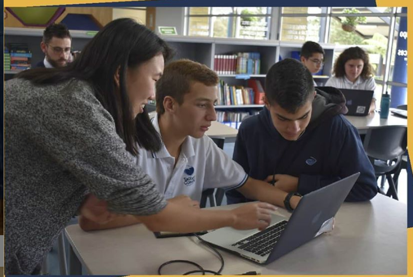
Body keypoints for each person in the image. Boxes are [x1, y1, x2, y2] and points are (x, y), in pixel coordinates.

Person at [5, 18, 277, 275]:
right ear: (120, 73)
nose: (152, 95)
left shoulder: (63, 90)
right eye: (155, 80)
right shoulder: (78, 109)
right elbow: (157, 217)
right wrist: (232, 218)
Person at [79, 59, 302, 231]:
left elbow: (249, 185)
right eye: (202, 105)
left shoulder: (200, 144)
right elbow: (90, 223)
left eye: (214, 105)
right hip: (125, 251)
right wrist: (167, 210)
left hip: (177, 247)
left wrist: (294, 202)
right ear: (170, 104)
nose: (213, 116)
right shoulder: (127, 142)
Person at [225, 58, 378, 205]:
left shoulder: (338, 129)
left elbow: (365, 187)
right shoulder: (250, 130)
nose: (295, 128)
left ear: (313, 97)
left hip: (317, 220)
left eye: (303, 116)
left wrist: (301, 184)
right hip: (259, 221)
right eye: (283, 119)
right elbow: (236, 189)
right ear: (267, 103)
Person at [325, 46, 378, 114]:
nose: (355, 70)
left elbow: (373, 103)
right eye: (351, 66)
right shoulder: (334, 81)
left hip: (362, 118)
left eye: (359, 66)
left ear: (364, 66)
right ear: (343, 65)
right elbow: (326, 103)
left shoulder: (369, 81)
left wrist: (365, 111)